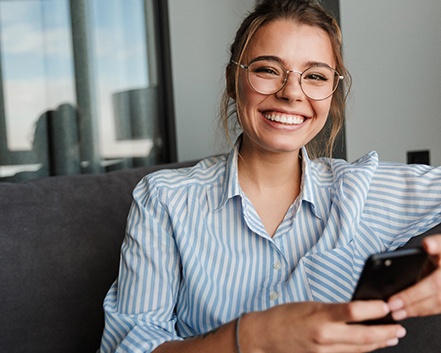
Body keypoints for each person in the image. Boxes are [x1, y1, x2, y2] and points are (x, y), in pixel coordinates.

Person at [99, 0, 441, 352]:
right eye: (267, 70)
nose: (292, 93)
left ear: (331, 93)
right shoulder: (165, 199)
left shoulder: (362, 189)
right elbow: (128, 347)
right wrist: (252, 337)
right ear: (235, 80)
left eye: (316, 76)